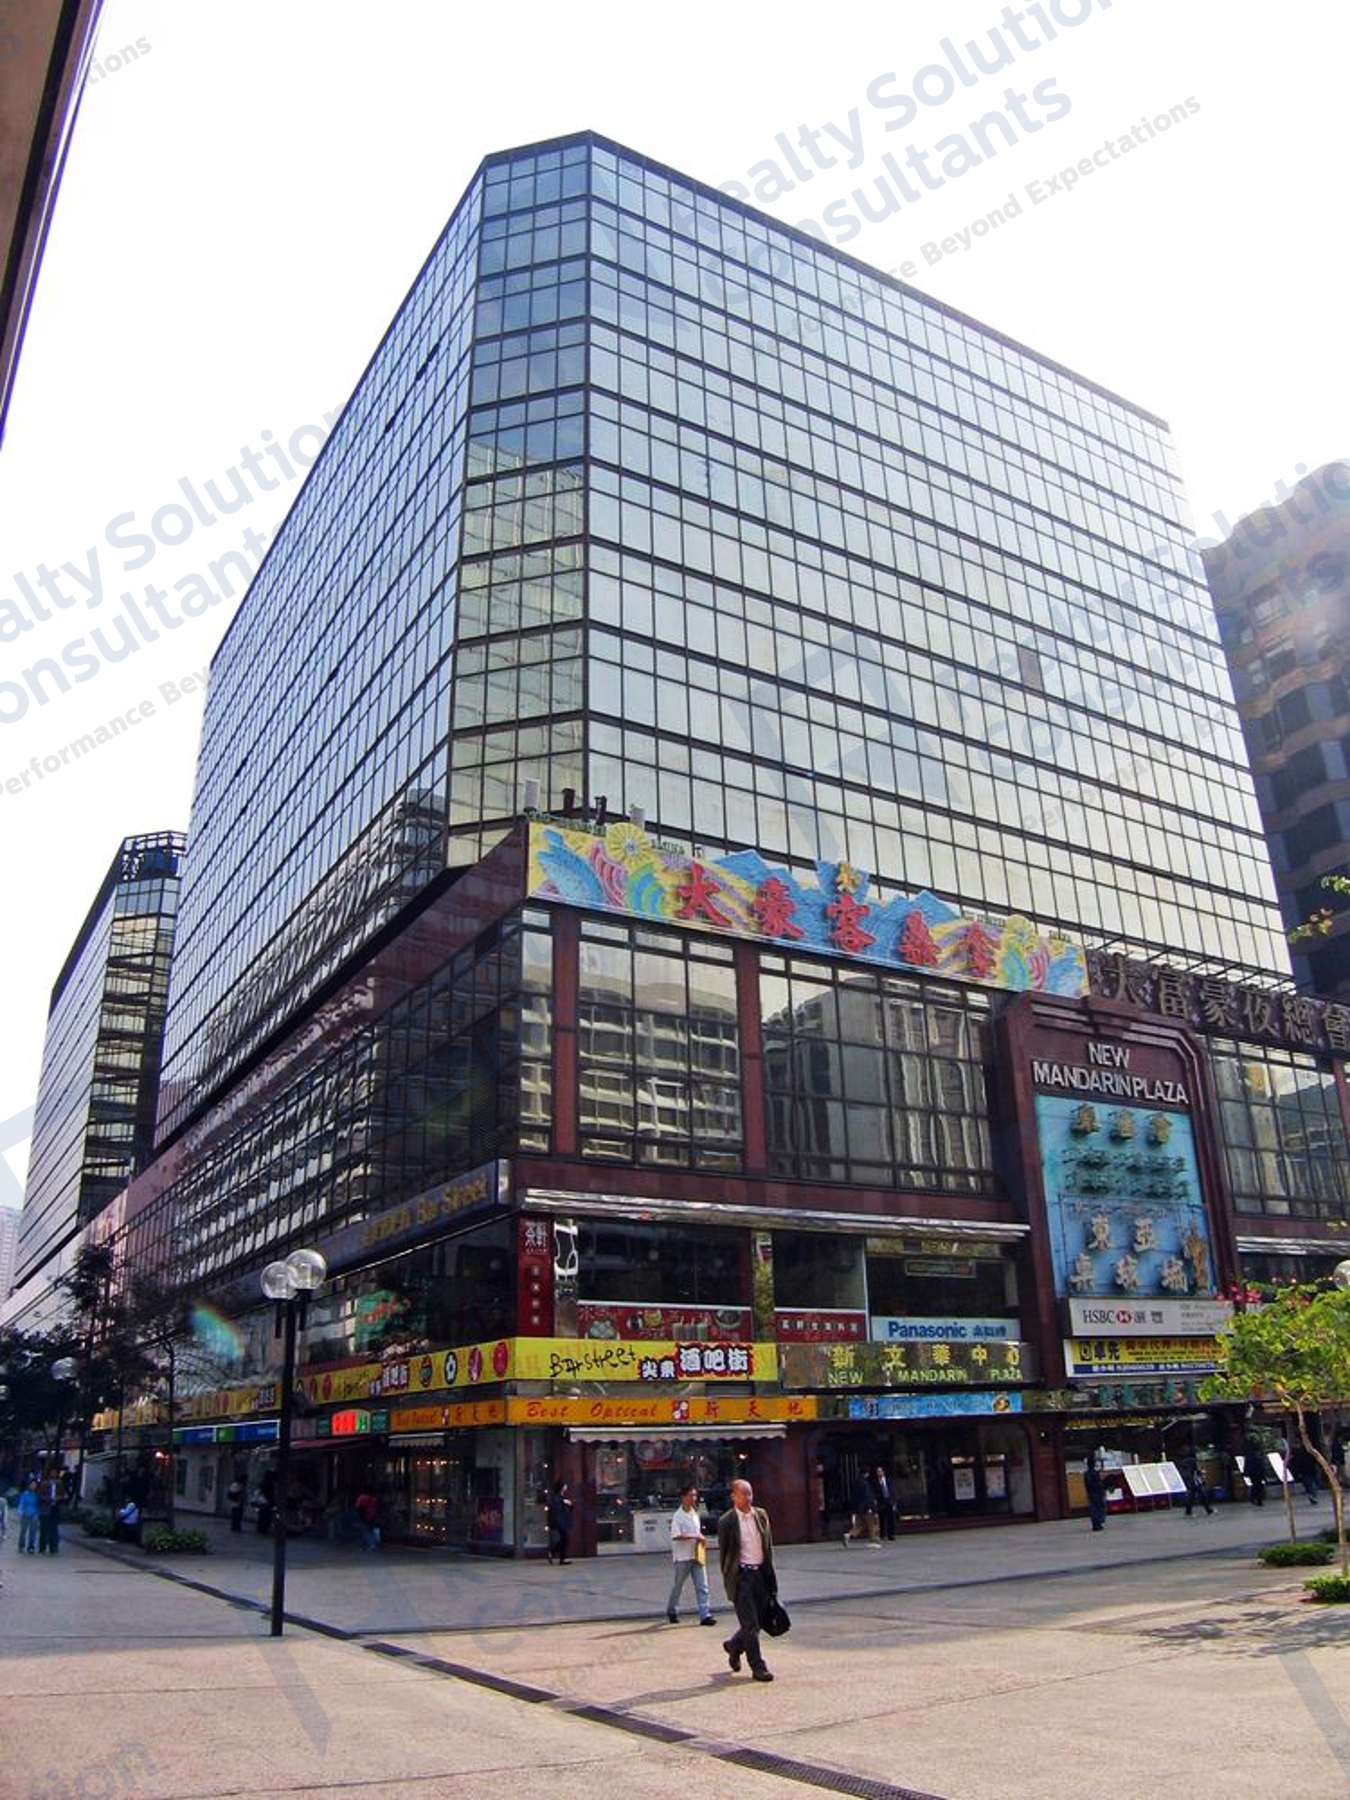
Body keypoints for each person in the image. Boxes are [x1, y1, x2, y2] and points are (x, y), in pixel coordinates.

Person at [716, 1478, 777, 1683]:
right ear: (734, 1496)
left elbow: (768, 1546)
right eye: (744, 1494)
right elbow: (725, 1555)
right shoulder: (726, 1522)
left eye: (750, 1493)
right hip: (742, 1576)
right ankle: (758, 1666)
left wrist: (770, 1577)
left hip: (760, 1575)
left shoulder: (761, 1515)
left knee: (757, 1622)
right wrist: (730, 1578)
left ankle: (734, 1646)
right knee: (750, 1624)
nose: (748, 1498)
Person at [666, 1483, 715, 1625]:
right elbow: (676, 1535)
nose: (693, 1498)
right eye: (690, 1495)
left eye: (695, 1495)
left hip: (696, 1554)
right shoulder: (678, 1516)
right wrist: (695, 1537)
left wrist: (700, 1538)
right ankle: (672, 1610)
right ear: (683, 1497)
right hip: (682, 1557)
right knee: (678, 1585)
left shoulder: (695, 1513)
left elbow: (697, 1531)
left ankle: (705, 1615)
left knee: (702, 1586)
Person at [842, 1469, 880, 1547]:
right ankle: (873, 1541)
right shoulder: (865, 1483)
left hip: (859, 1509)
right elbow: (867, 1496)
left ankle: (848, 1535)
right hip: (866, 1508)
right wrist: (870, 1507)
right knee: (872, 1524)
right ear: (866, 1473)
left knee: (859, 1525)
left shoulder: (856, 1482)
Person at [1177, 1445, 1213, 1517]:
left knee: (1192, 1495)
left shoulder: (1183, 1461)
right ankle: (1208, 1509)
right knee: (1201, 1494)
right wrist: (1202, 1473)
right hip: (1193, 1479)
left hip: (1188, 1479)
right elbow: (1196, 1470)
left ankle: (1189, 1511)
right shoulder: (1193, 1460)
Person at [546, 1479, 574, 1565]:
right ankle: (554, 1553)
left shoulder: (560, 1497)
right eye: (564, 1485)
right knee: (565, 1539)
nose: (566, 1487)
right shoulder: (557, 1498)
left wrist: (569, 1504)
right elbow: (558, 1509)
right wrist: (566, 1503)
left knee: (564, 1539)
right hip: (560, 1521)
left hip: (562, 1521)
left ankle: (558, 1556)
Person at [37, 1472, 61, 1554]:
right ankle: (42, 1547)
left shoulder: (59, 1484)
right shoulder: (44, 1484)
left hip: (55, 1509)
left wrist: (59, 1498)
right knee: (44, 1529)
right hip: (45, 1509)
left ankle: (53, 1547)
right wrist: (49, 1499)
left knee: (54, 1529)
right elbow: (40, 1496)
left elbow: (63, 1494)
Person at [872, 1466, 896, 1540]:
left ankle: (891, 1534)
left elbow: (892, 1491)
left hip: (889, 1501)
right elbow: (874, 1492)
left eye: (880, 1471)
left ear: (883, 1472)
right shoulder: (875, 1482)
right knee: (882, 1519)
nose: (879, 1473)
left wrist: (894, 1501)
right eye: (878, 1472)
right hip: (881, 1502)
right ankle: (882, 1534)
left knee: (891, 1519)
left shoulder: (888, 1480)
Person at [1084, 1454, 1107, 1531]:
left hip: (1090, 1493)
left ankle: (1095, 1524)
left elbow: (1087, 1484)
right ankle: (1099, 1523)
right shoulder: (1096, 1473)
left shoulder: (1086, 1474)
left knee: (1093, 1509)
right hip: (1098, 1493)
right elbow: (1099, 1484)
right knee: (1100, 1508)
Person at [17, 1480, 40, 1553]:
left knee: (33, 1532)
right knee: (23, 1531)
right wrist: (20, 1510)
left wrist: (37, 1514)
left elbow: (39, 1505)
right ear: (29, 1485)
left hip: (34, 1514)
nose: (33, 1486)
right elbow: (21, 1502)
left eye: (35, 1485)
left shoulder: (37, 1495)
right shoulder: (25, 1493)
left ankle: (31, 1546)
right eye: (32, 1484)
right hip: (25, 1513)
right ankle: (21, 1545)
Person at [1243, 1435, 1266, 1506]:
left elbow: (1247, 1462)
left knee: (1256, 1485)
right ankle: (1257, 1499)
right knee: (1258, 1485)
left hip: (1253, 1471)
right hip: (1257, 1470)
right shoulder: (1257, 1453)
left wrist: (1246, 1472)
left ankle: (1255, 1498)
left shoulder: (1249, 1453)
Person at [256, 1468, 276, 1535]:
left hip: (262, 1500)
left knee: (262, 1516)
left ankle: (261, 1529)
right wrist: (272, 1501)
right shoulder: (269, 1483)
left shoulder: (263, 1482)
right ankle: (263, 1529)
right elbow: (269, 1493)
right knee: (266, 1516)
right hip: (266, 1501)